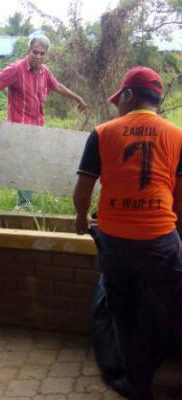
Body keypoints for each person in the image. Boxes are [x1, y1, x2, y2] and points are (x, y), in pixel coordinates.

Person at [73, 66, 182, 400]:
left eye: (119, 98)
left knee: (125, 315)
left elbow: (83, 187)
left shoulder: (102, 132)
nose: (117, 105)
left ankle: (138, 387)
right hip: (161, 240)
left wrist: (80, 218)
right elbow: (180, 192)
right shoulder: (177, 135)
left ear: (130, 95)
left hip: (115, 242)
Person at [0, 35, 87, 207]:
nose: (38, 56)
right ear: (28, 51)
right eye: (34, 52)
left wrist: (78, 98)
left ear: (46, 56)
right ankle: (23, 206)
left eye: (42, 53)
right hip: (20, 127)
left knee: (31, 165)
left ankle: (24, 203)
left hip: (38, 127)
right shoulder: (17, 69)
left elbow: (57, 86)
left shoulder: (44, 71)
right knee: (27, 165)